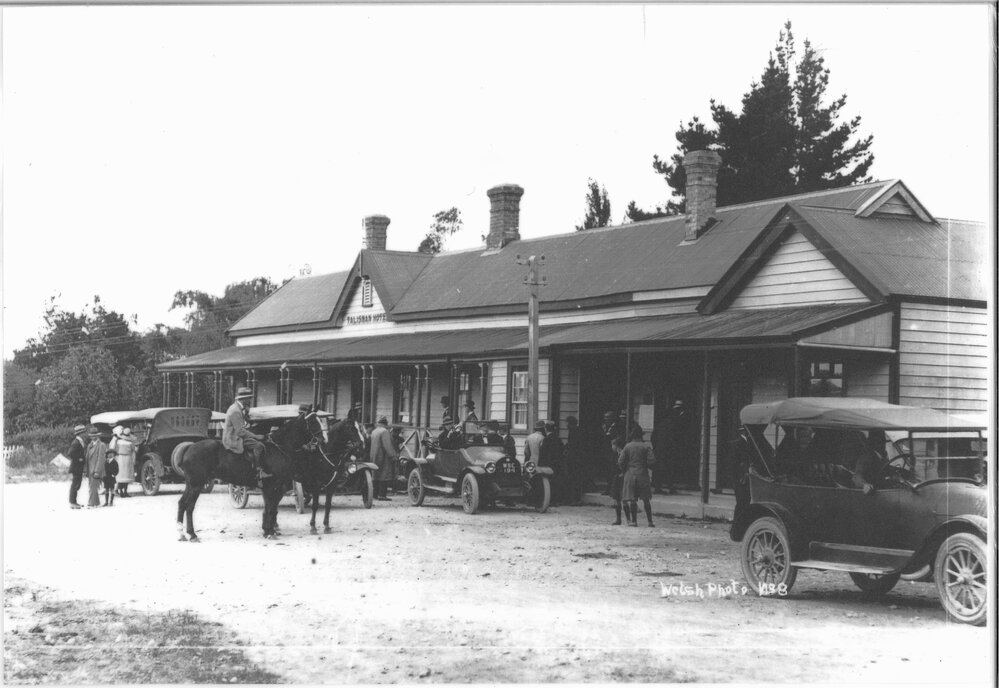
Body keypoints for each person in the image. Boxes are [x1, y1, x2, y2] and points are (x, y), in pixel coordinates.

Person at [223, 387, 269, 480]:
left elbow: (243, 423)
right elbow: (240, 431)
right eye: (249, 398)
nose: (250, 400)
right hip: (233, 438)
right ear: (243, 399)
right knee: (259, 446)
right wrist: (256, 436)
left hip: (235, 434)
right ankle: (258, 471)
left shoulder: (238, 408)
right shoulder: (235, 410)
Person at [619, 425, 655, 527]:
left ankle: (634, 521)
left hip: (630, 474)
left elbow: (621, 461)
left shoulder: (627, 446)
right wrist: (646, 466)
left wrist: (624, 470)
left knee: (632, 499)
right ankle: (650, 521)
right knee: (646, 499)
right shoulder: (645, 446)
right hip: (642, 474)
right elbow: (652, 461)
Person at [656, 399, 692, 493]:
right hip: (670, 448)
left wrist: (656, 446)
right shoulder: (676, 423)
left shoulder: (661, 423)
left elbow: (654, 437)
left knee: (661, 467)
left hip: (661, 448)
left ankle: (658, 487)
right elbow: (679, 436)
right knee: (670, 468)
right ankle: (670, 487)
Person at [369, 417, 398, 501]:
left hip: (374, 455)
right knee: (384, 475)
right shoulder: (384, 432)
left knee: (375, 475)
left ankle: (374, 494)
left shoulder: (374, 431)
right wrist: (393, 456)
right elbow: (387, 445)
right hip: (383, 456)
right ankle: (382, 495)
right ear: (385, 424)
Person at [540, 420, 566, 506]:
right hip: (558, 464)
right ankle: (557, 500)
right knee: (557, 482)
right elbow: (562, 450)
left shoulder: (546, 439)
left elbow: (543, 453)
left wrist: (541, 464)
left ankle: (550, 500)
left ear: (546, 429)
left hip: (548, 464)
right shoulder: (558, 439)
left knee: (549, 482)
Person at [600, 410, 624, 495]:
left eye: (608, 417)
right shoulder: (604, 427)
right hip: (605, 452)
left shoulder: (617, 427)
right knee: (606, 471)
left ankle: (612, 489)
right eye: (605, 417)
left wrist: (616, 441)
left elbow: (620, 437)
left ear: (613, 418)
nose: (606, 419)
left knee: (613, 471)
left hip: (613, 452)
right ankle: (608, 488)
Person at [84, 426, 108, 508]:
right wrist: (85, 470)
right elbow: (87, 458)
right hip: (90, 469)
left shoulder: (101, 445)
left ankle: (91, 503)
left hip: (96, 469)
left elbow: (101, 459)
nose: (93, 437)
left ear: (98, 436)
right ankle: (96, 502)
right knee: (91, 486)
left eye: (95, 435)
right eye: (91, 436)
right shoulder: (89, 445)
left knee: (93, 487)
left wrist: (97, 471)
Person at [67, 424, 89, 509]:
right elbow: (70, 453)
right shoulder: (76, 442)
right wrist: (78, 458)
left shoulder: (79, 441)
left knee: (77, 484)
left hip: (78, 467)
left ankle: (74, 502)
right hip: (76, 467)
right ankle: (72, 502)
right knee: (75, 485)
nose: (85, 434)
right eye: (84, 432)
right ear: (80, 433)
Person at [564, 416, 584, 505]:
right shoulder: (576, 430)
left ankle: (575, 499)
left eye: (567, 423)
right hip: (576, 458)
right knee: (575, 479)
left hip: (575, 459)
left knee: (574, 479)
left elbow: (573, 446)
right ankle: (575, 499)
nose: (566, 425)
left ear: (570, 423)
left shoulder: (574, 432)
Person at [112, 427, 138, 497]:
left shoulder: (118, 442)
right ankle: (125, 491)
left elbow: (115, 449)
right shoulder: (130, 443)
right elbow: (133, 450)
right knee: (127, 476)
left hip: (120, 458)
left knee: (121, 476)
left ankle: (120, 491)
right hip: (128, 458)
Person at [609, 437, 627, 525]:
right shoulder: (615, 454)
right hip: (616, 477)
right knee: (617, 499)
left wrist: (623, 473)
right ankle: (618, 519)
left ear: (616, 446)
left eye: (613, 445)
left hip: (621, 477)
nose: (612, 447)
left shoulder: (623, 454)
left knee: (624, 499)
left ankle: (628, 519)